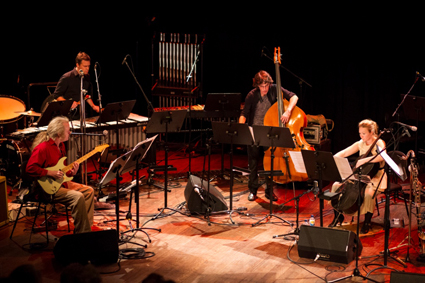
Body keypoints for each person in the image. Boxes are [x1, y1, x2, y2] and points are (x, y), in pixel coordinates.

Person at [26, 116, 94, 234]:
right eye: (68, 130)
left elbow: (61, 170)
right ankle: (82, 235)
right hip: (46, 189)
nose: (70, 132)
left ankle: (85, 231)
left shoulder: (61, 146)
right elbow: (30, 168)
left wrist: (71, 172)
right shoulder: (42, 148)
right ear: (59, 132)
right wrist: (49, 173)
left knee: (89, 191)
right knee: (77, 197)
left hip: (61, 183)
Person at [239, 70, 299, 201]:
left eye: (267, 86)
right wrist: (241, 128)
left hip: (270, 132)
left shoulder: (274, 89)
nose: (265, 89)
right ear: (257, 85)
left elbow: (294, 97)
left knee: (270, 163)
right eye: (262, 86)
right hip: (254, 132)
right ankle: (253, 190)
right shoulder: (251, 95)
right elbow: (244, 114)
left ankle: (269, 191)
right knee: (253, 163)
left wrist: (288, 111)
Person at [329, 119, 386, 234]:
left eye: (364, 133)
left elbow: (382, 157)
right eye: (360, 133)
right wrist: (332, 158)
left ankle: (367, 221)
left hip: (376, 176)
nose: (361, 136)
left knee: (368, 193)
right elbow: (344, 153)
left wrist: (365, 160)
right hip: (360, 175)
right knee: (336, 186)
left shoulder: (379, 143)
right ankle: (338, 216)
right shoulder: (360, 143)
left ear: (372, 132)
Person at [52, 52, 100, 117]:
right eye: (85, 66)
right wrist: (69, 103)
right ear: (77, 65)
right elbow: (56, 95)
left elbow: (85, 95)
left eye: (88, 66)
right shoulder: (67, 77)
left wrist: (93, 106)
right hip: (69, 116)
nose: (87, 68)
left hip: (82, 115)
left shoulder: (87, 76)